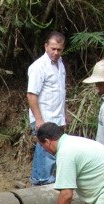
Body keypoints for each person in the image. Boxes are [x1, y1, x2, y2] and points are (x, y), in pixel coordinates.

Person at [27, 31, 67, 185]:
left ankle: (46, 183)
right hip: (44, 118)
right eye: (53, 48)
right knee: (45, 152)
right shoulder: (39, 67)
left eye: (59, 49)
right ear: (45, 46)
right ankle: (41, 183)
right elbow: (31, 95)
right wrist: (38, 120)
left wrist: (64, 115)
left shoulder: (60, 64)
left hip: (57, 117)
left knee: (53, 152)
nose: (56, 52)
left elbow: (61, 92)